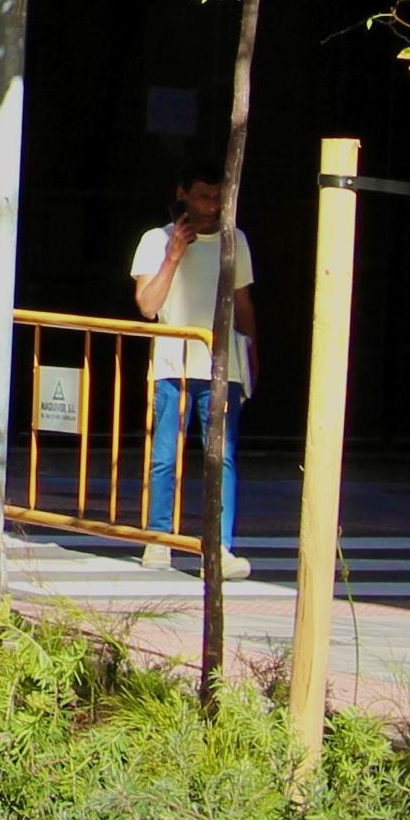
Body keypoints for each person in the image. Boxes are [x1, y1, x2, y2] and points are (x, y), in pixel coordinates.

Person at [133, 171, 257, 568]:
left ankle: (218, 546)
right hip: (173, 364)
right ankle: (158, 538)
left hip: (224, 367)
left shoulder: (233, 240)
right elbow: (148, 305)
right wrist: (174, 255)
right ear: (182, 193)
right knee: (166, 455)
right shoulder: (156, 239)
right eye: (203, 196)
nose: (211, 206)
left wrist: (252, 353)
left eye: (218, 197)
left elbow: (244, 304)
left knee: (223, 457)